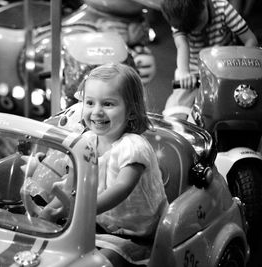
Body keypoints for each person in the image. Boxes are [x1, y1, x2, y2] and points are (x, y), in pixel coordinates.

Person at [77, 63, 167, 266]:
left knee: (99, 264)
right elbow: (71, 183)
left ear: (132, 112)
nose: (96, 111)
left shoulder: (133, 146)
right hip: (96, 226)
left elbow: (122, 187)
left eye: (108, 104)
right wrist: (53, 209)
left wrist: (84, 209)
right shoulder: (87, 141)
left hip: (135, 237)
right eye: (90, 102)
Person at [161, 0, 258, 119]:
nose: (197, 30)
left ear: (204, 3)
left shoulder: (223, 8)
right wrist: (183, 72)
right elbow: (182, 46)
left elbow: (250, 40)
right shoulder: (178, 16)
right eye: (190, 29)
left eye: (200, 22)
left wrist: (242, 67)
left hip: (226, 69)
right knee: (175, 113)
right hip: (194, 72)